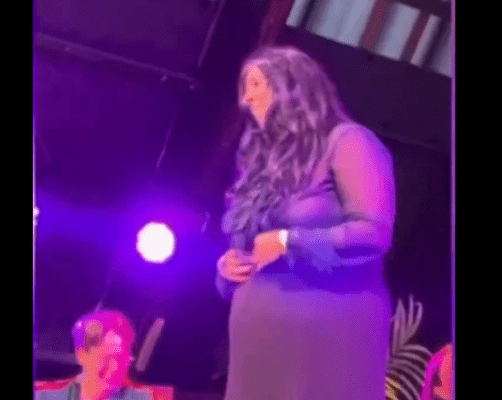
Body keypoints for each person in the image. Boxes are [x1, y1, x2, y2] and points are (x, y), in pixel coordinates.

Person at [216, 46, 396, 400]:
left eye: (256, 84)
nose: (246, 98)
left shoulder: (349, 142)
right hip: (257, 342)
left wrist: (289, 242)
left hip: (327, 334)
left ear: (292, 86)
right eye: (244, 88)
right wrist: (227, 267)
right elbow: (248, 248)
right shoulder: (259, 164)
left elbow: (373, 232)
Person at [34, 310, 173, 400]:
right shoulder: (44, 396)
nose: (114, 367)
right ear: (82, 355)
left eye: (121, 359)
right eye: (106, 358)